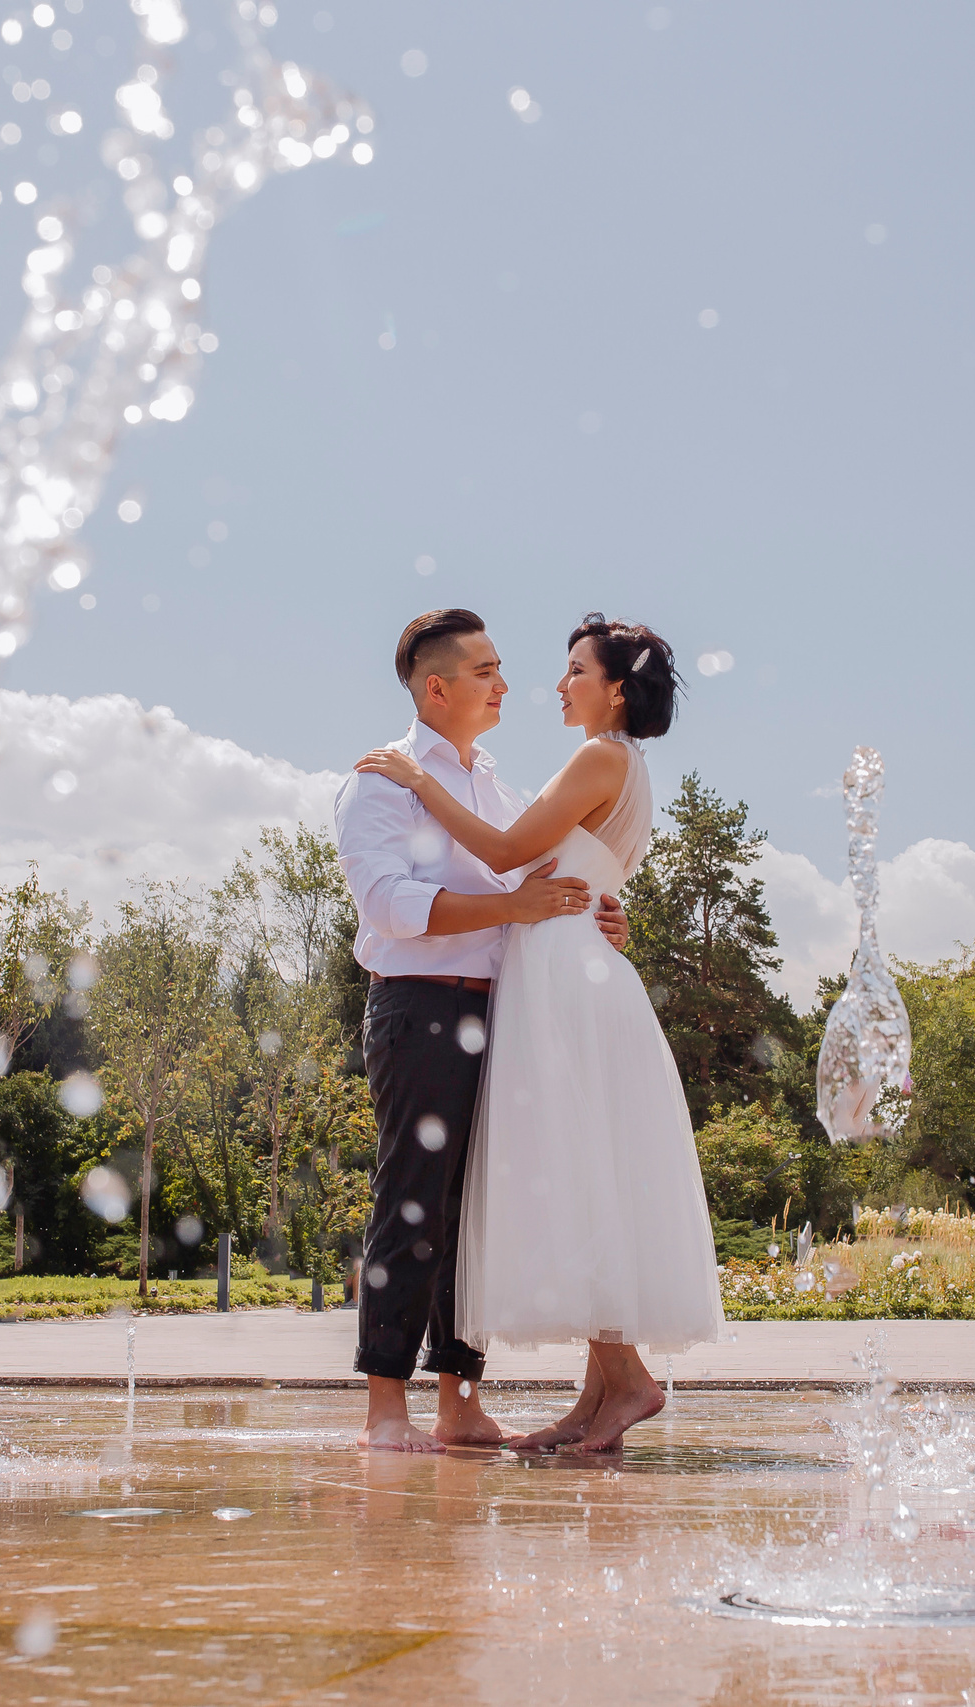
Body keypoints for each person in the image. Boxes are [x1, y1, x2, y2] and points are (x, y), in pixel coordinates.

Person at [356, 612, 724, 1451]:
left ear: (617, 688)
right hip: (493, 988)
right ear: (437, 684)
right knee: (551, 1172)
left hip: (551, 981)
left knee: (568, 1167)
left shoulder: (575, 763)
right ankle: (598, 1398)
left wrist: (424, 783)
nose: (543, 685)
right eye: (491, 669)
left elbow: (508, 848)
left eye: (575, 671)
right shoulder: (604, 763)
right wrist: (595, 908)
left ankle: (615, 1384)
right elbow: (536, 869)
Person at [332, 609, 632, 1453]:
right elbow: (389, 905)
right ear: (438, 687)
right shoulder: (379, 781)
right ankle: (384, 1407)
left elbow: (548, 878)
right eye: (486, 671)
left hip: (504, 1011)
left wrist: (597, 918)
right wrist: (513, 905)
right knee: (415, 1198)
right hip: (419, 1007)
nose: (506, 685)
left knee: (476, 1212)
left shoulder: (498, 788)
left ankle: (458, 1400)